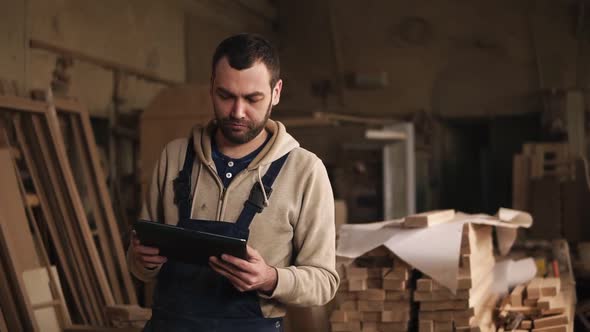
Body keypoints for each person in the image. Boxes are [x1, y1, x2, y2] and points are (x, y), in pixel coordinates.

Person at [128, 33, 340, 331]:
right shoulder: (174, 156)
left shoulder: (305, 171)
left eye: (253, 99)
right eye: (225, 96)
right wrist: (143, 259)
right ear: (211, 86)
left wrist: (270, 278)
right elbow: (139, 266)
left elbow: (324, 281)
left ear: (276, 92)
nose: (237, 112)